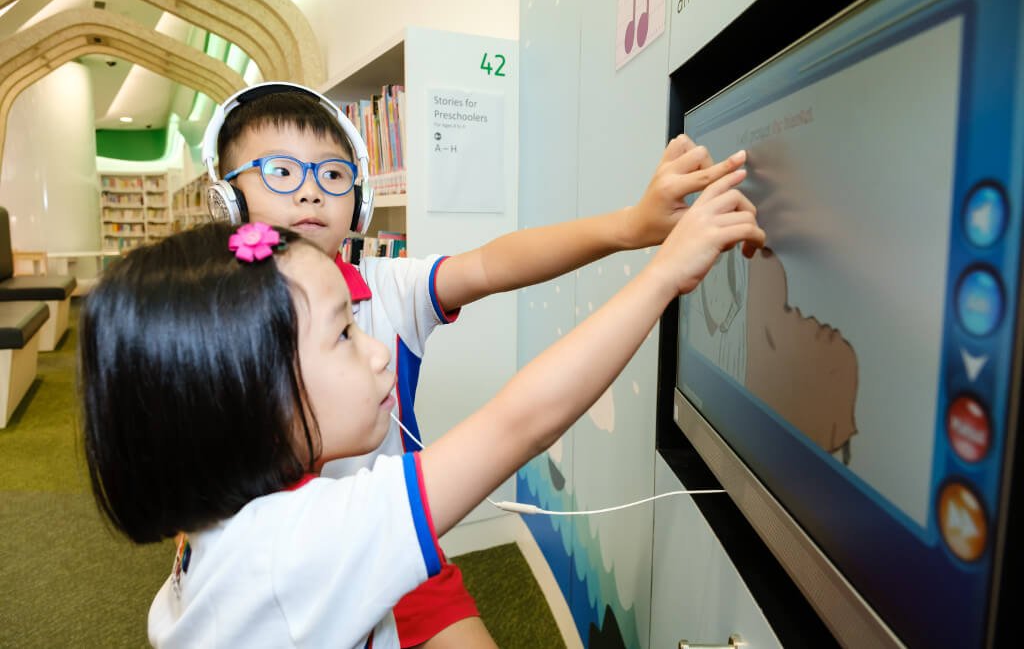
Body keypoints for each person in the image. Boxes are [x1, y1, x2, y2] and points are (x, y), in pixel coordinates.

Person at [79, 172, 763, 647]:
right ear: (248, 398)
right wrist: (665, 272)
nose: (378, 353)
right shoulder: (297, 548)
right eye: (344, 334)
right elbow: (523, 419)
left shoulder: (229, 524)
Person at [201, 81, 750, 648]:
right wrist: (662, 275)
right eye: (281, 173)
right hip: (336, 553)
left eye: (332, 174)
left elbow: (491, 264)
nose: (312, 194)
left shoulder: (388, 287)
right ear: (227, 200)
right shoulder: (211, 335)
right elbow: (521, 422)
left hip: (400, 547)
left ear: (358, 200)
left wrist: (630, 228)